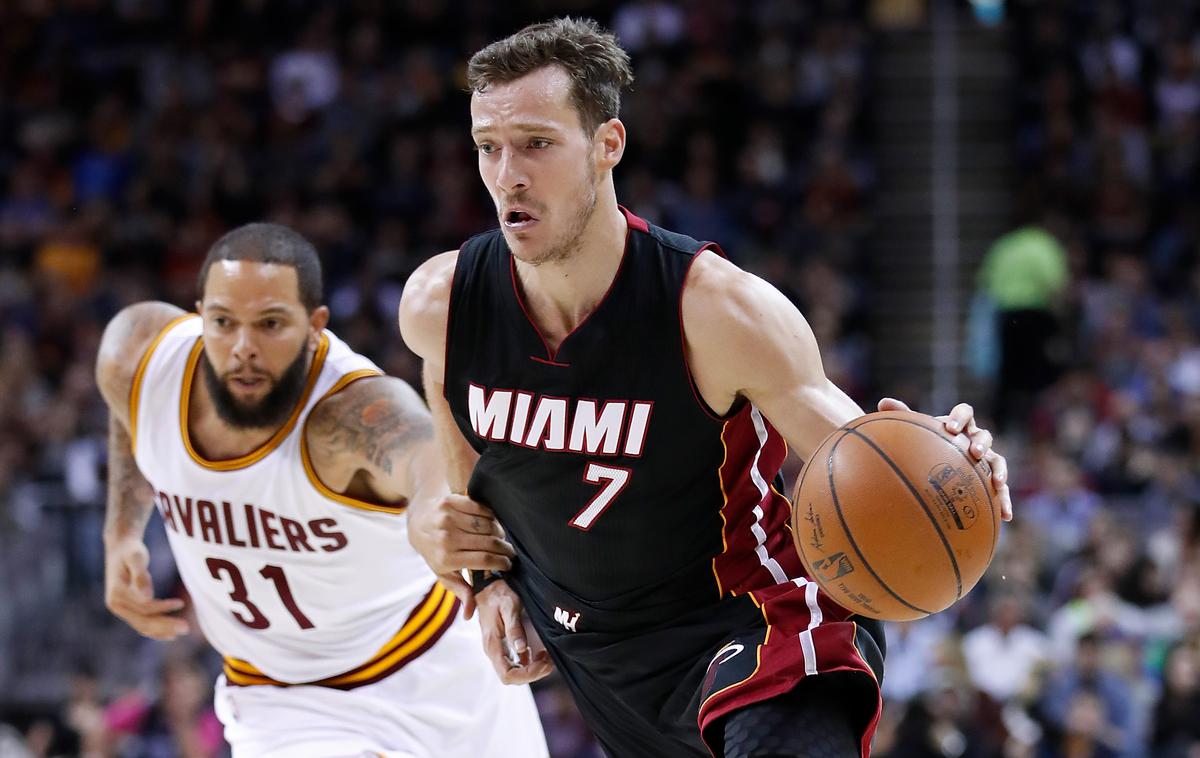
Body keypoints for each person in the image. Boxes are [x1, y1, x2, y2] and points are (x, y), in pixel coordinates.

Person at [398, 17, 1013, 758]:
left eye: (536, 143)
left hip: (753, 626)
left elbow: (859, 454)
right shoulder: (443, 305)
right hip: (601, 662)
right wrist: (489, 572)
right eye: (488, 148)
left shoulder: (715, 309)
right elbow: (452, 417)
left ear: (607, 146)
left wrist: (949, 461)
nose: (508, 175)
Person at [96, 223, 547, 758]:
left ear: (315, 327)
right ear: (199, 314)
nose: (243, 348)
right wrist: (121, 534)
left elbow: (421, 451)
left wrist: (430, 510)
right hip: (281, 703)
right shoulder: (140, 357)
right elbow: (133, 416)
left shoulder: (346, 411)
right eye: (222, 323)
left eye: (270, 324)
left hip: (436, 669)